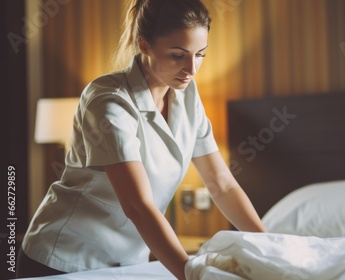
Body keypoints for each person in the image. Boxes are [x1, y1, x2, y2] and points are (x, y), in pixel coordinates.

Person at [17, 0, 266, 279]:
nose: (191, 68)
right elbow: (137, 206)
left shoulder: (188, 95)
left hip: (128, 263)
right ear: (144, 45)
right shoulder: (109, 101)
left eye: (200, 54)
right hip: (65, 258)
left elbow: (221, 183)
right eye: (177, 55)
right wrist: (190, 274)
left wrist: (272, 250)